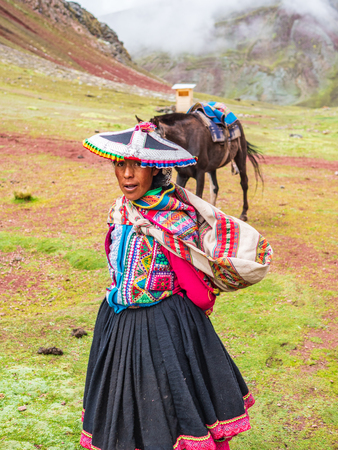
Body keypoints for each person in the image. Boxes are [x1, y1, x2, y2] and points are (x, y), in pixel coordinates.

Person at [80, 122, 273, 450]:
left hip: (165, 327)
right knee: (126, 403)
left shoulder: (174, 219)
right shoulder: (120, 210)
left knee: (168, 406)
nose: (127, 175)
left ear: (154, 168)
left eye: (137, 165)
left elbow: (197, 289)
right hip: (118, 322)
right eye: (120, 165)